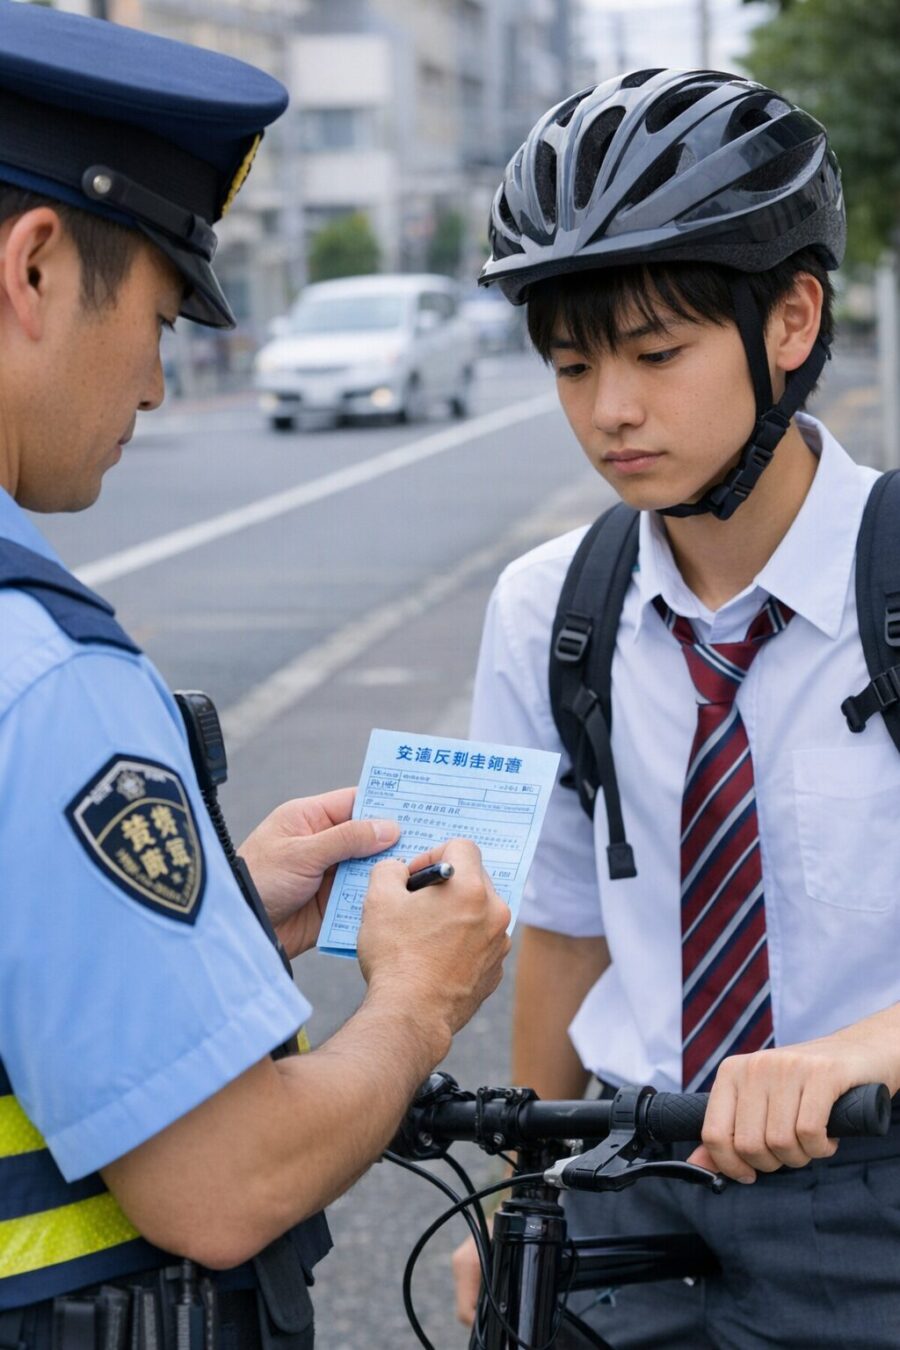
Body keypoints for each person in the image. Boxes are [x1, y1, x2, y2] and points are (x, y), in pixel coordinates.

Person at [0, 6, 511, 1348]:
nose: (159, 385)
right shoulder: (45, 680)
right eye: (162, 318)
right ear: (36, 268)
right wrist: (419, 1000)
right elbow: (225, 1183)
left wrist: (206, 901)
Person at [452, 68, 900, 1347]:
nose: (611, 412)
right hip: (624, 1175)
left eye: (657, 354)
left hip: (871, 1183)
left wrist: (856, 1056)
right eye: (573, 365)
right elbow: (563, 923)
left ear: (794, 319)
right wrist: (519, 1198)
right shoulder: (551, 607)